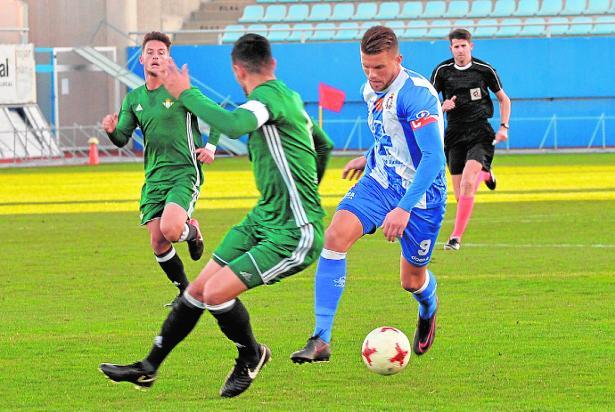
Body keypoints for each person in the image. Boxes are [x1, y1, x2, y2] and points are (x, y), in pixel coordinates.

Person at [99, 33, 333, 398]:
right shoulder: (289, 98)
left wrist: (184, 93)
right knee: (196, 290)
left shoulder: (265, 101)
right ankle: (148, 368)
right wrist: (308, 193)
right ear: (272, 63)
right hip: (263, 218)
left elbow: (236, 124)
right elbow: (323, 143)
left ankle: (252, 355)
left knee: (215, 293)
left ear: (237, 71)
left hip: (292, 231)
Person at [290, 26, 446, 364]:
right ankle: (321, 339)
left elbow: (434, 158)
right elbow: (389, 134)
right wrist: (370, 155)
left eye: (380, 67)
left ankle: (429, 306)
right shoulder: (369, 90)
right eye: (366, 67)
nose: (373, 75)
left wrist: (404, 209)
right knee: (334, 236)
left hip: (420, 198)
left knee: (411, 280)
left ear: (398, 60)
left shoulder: (416, 96)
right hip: (380, 182)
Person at [102, 31, 218, 306]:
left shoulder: (181, 91)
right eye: (150, 52)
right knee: (158, 242)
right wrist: (110, 131)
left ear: (169, 59)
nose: (155, 57)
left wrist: (211, 148)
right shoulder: (134, 99)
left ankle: (193, 231)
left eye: (161, 53)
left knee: (170, 229)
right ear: (141, 58)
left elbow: (216, 115)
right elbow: (121, 139)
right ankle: (185, 291)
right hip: (155, 177)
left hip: (183, 172)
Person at [430, 28, 511, 251]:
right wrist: (441, 107)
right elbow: (428, 103)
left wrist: (504, 127)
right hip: (454, 134)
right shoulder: (441, 71)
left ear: (471, 46)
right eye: (456, 46)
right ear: (451, 48)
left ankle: (455, 238)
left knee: (467, 183)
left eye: (464, 46)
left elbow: (504, 100)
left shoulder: (484, 70)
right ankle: (485, 172)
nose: (460, 50)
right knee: (460, 195)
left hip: (480, 132)